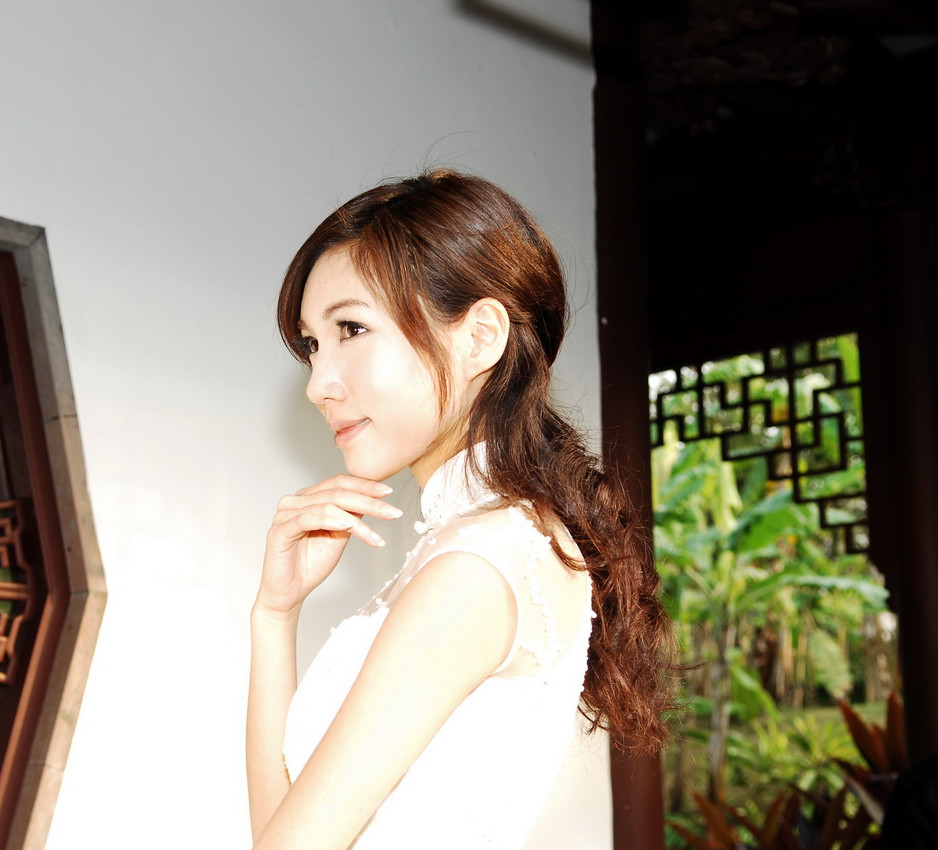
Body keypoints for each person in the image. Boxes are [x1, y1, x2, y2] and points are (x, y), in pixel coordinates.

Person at [245, 169, 673, 849]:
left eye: (351, 328)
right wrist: (275, 614)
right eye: (311, 345)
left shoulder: (475, 566)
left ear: (479, 337)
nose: (319, 384)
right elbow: (277, 829)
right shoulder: (489, 545)